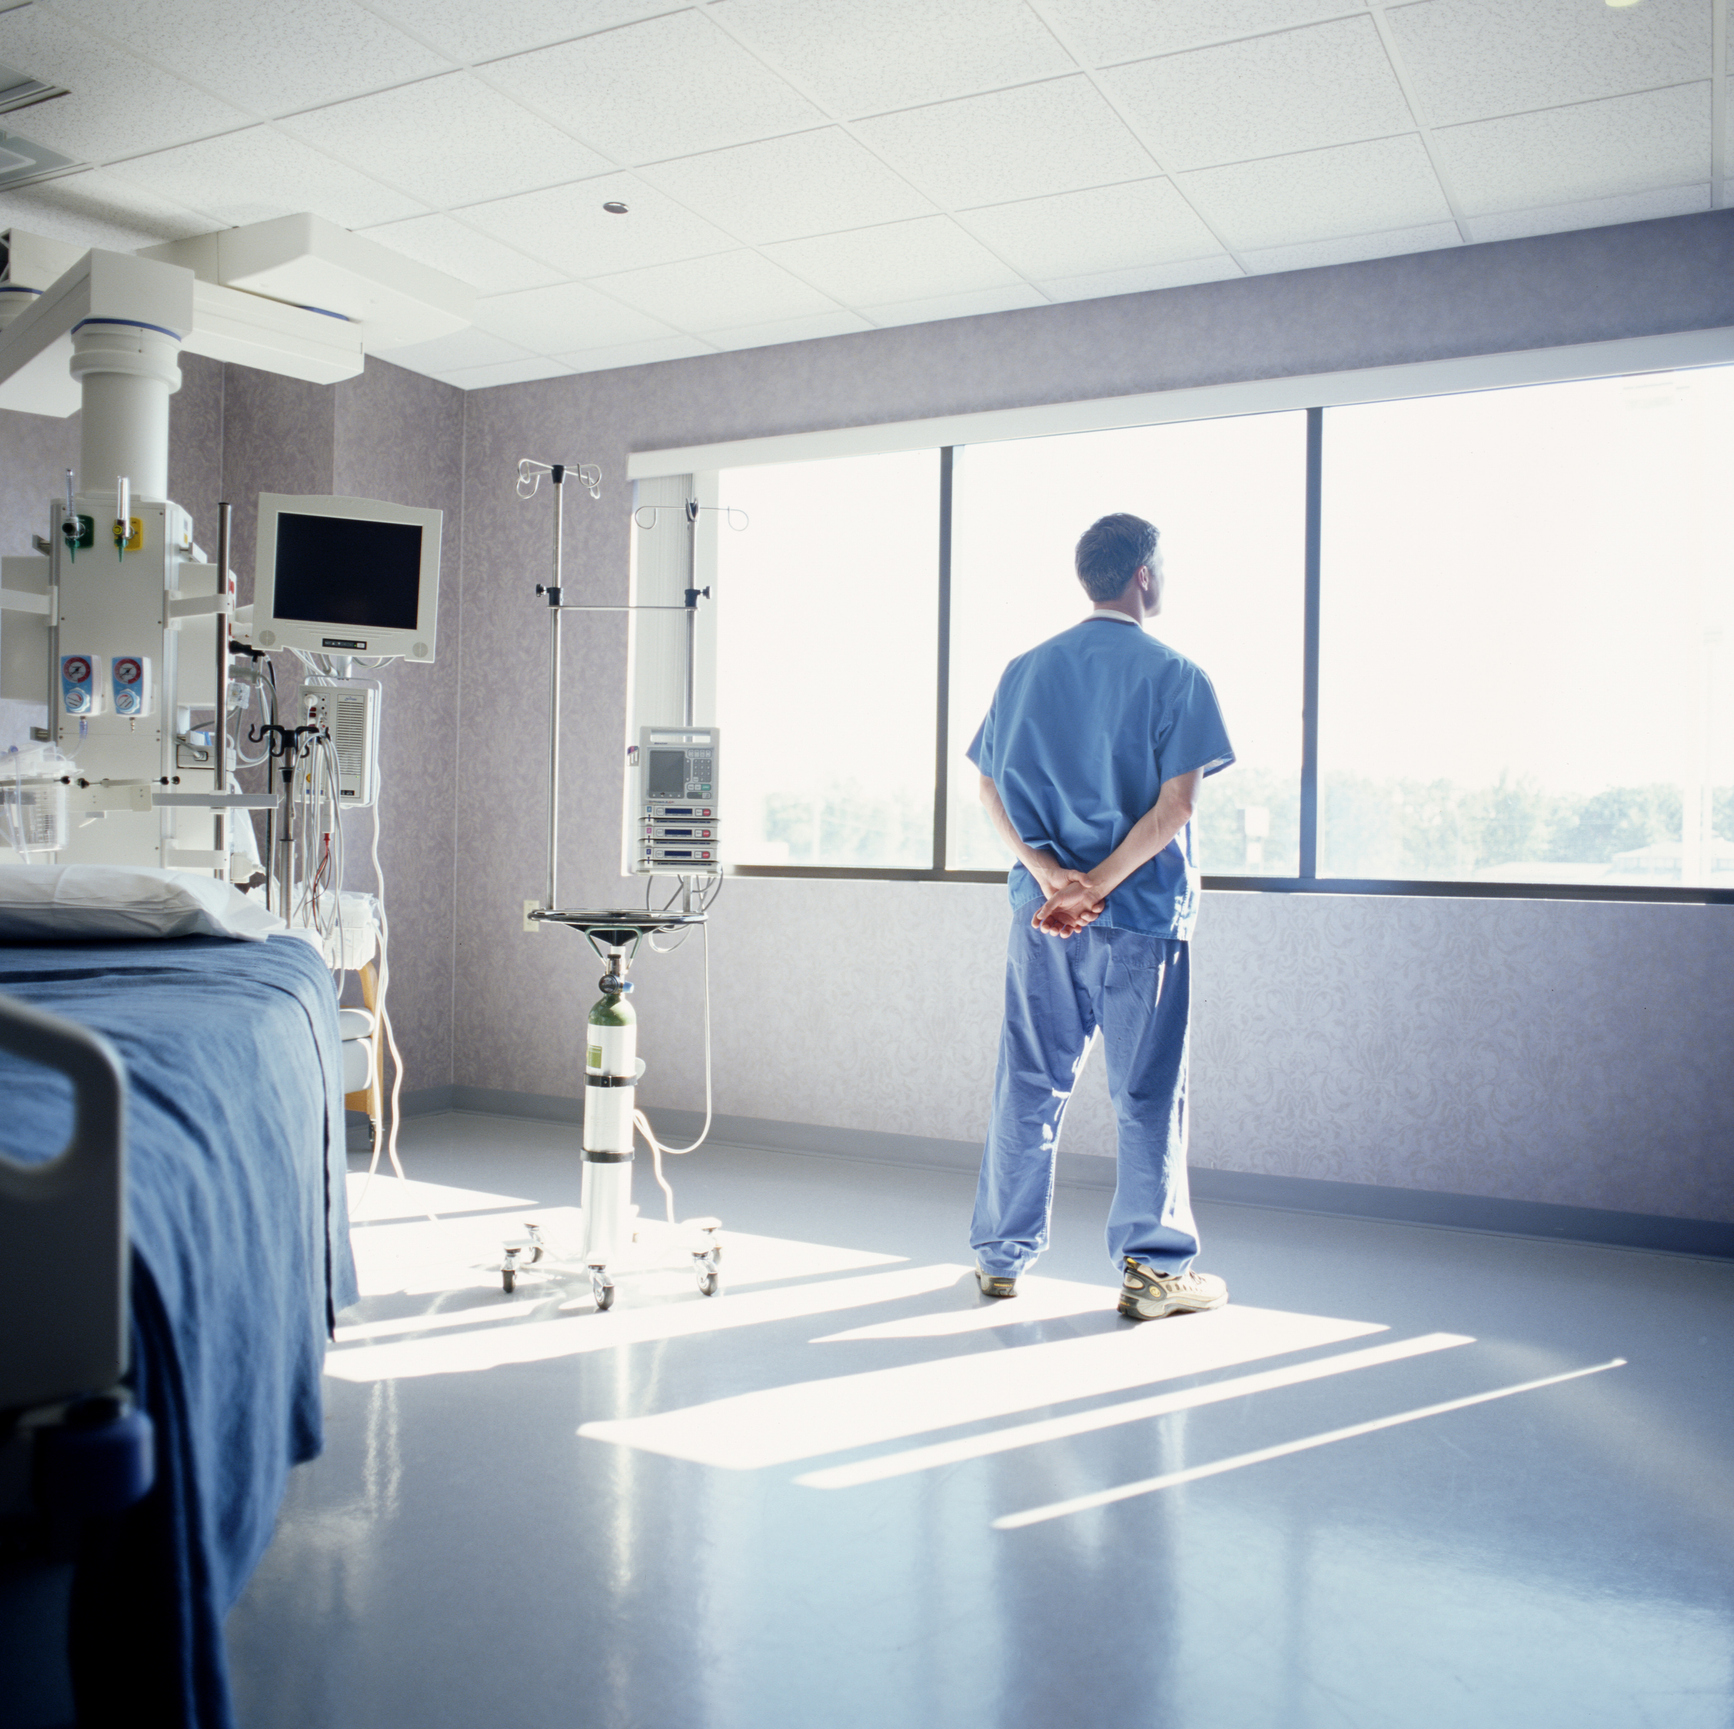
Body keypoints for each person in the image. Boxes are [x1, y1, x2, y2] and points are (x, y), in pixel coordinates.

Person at [966, 511, 1235, 1321]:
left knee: (1029, 1080)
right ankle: (1154, 1271)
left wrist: (1054, 879)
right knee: (1147, 1091)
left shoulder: (1023, 671)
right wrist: (1102, 886)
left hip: (1043, 919)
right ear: (1144, 577)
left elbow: (989, 790)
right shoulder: (1178, 674)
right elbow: (1175, 806)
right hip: (1143, 919)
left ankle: (1000, 1259)